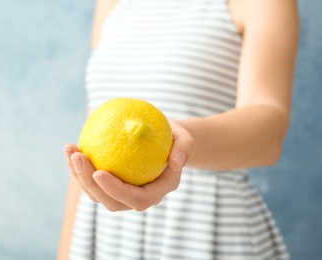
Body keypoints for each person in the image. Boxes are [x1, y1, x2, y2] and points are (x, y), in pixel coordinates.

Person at [58, 0, 298, 259]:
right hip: (106, 234)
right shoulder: (111, 3)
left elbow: (269, 133)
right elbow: (89, 143)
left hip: (206, 228)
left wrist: (176, 144)